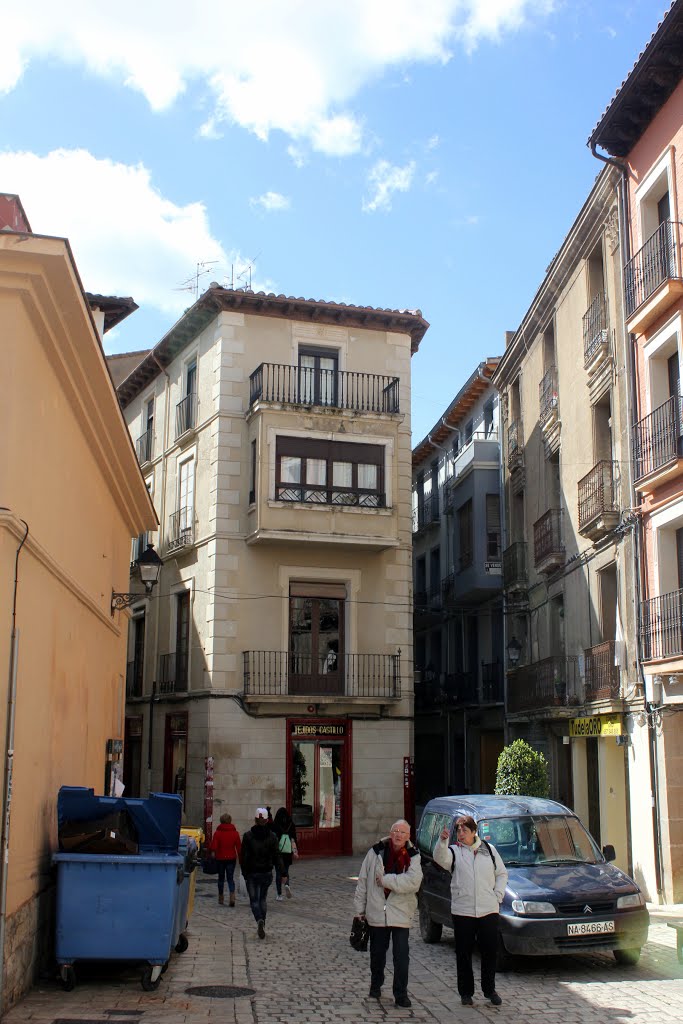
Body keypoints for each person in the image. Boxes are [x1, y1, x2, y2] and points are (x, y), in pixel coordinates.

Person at [433, 815, 509, 1007]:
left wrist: (497, 896)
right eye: (458, 830)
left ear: (474, 832)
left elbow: (501, 874)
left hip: (488, 910)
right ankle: (466, 992)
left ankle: (489, 989)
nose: (461, 833)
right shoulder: (454, 851)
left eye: (464, 830)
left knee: (489, 951)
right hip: (463, 910)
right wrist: (442, 841)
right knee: (464, 953)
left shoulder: (489, 851)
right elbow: (440, 858)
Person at [353, 819, 422, 1008]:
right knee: (377, 954)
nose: (398, 835)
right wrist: (360, 910)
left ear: (408, 837)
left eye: (403, 832)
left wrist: (386, 881)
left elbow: (413, 882)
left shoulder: (413, 855)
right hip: (377, 911)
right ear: (390, 833)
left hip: (400, 911)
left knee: (401, 955)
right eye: (395, 831)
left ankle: (401, 994)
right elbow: (363, 880)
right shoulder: (375, 852)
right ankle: (376, 983)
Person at [240, 807, 282, 939]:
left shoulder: (248, 836)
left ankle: (259, 920)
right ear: (267, 820)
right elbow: (277, 856)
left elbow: (244, 856)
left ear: (255, 819)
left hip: (252, 872)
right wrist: (283, 871)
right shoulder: (272, 837)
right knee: (262, 898)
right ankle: (262, 923)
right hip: (266, 872)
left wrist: (244, 872)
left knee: (254, 900)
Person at [209, 812, 241, 906]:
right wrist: (241, 858)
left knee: (221, 878)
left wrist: (212, 853)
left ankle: (221, 897)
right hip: (231, 858)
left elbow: (213, 847)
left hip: (220, 858)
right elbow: (239, 847)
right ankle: (232, 897)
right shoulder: (235, 833)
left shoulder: (217, 833)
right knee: (230, 878)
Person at [271, 807, 298, 900]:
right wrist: (295, 851)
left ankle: (279, 894)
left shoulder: (275, 825)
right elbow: (294, 839)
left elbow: (272, 839)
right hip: (288, 851)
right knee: (286, 870)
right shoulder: (291, 824)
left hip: (278, 851)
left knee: (278, 872)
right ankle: (287, 884)